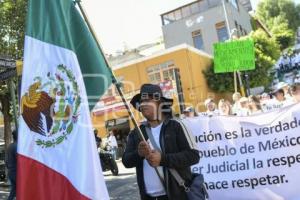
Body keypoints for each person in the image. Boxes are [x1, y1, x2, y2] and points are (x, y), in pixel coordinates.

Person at [122, 84, 199, 200]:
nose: (143, 104)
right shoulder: (136, 133)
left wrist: (163, 159)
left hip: (177, 195)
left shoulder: (176, 126)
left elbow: (193, 156)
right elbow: (126, 161)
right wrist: (139, 154)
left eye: (147, 100)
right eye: (141, 102)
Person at [5, 130, 17, 200]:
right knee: (20, 189)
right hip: (16, 172)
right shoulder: (17, 146)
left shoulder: (10, 146)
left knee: (14, 190)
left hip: (11, 172)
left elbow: (6, 161)